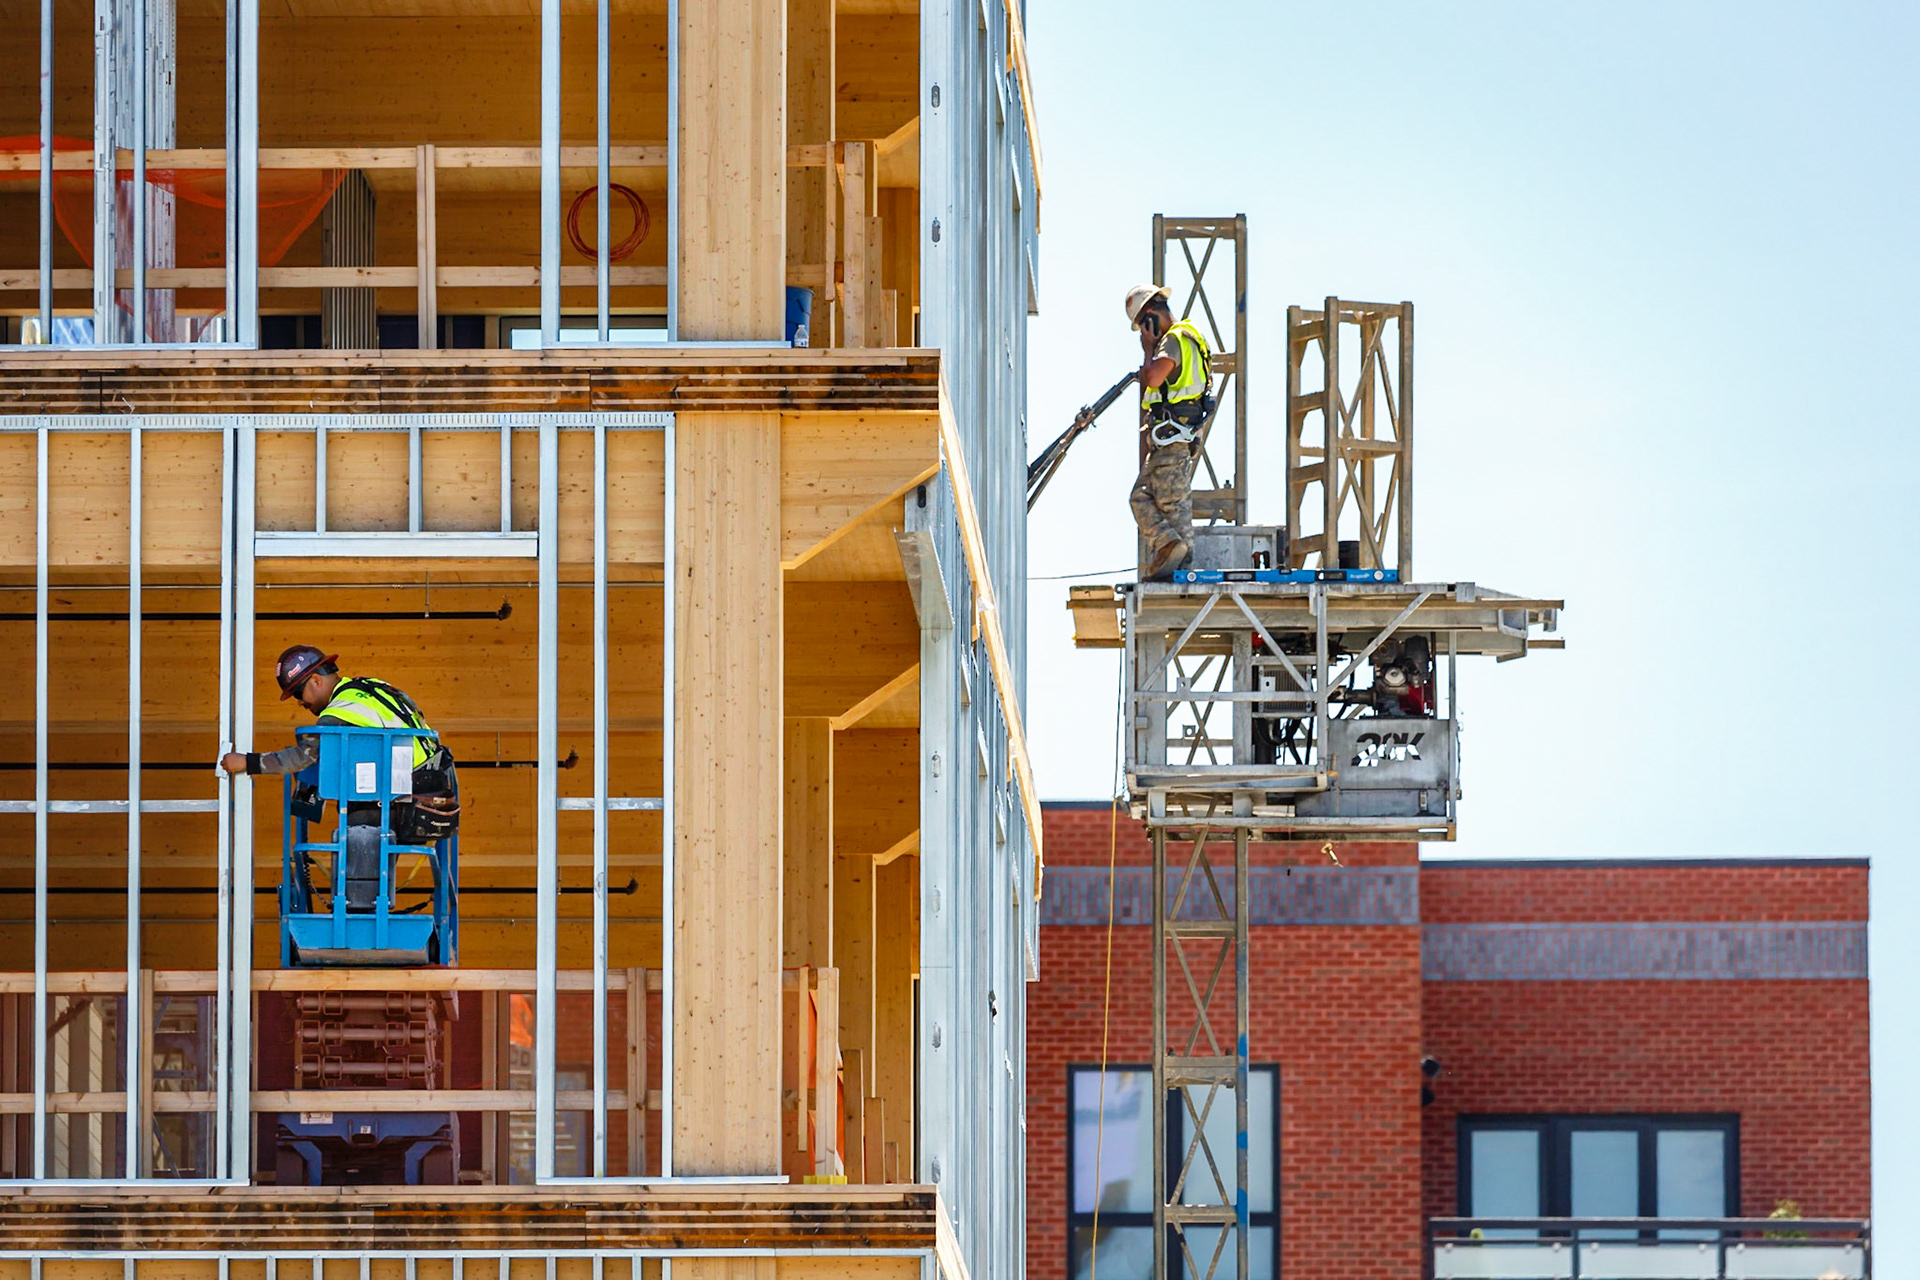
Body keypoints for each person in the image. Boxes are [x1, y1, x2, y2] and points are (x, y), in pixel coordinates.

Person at [219, 645, 458, 909]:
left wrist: (248, 763)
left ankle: (359, 908)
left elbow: (304, 755)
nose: (301, 702)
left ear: (316, 680)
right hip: (434, 789)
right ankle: (369, 903)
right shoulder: (370, 687)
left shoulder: (339, 711)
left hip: (408, 799)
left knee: (358, 816)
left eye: (299, 693)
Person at [1123, 284, 1214, 579]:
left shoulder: (1171, 341)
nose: (1142, 333)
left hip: (1173, 438)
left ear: (1149, 317)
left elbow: (1153, 377)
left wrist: (1148, 350)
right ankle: (1174, 557)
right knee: (1145, 497)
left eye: (1141, 326)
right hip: (1173, 437)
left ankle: (1179, 568)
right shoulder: (1187, 336)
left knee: (1171, 507)